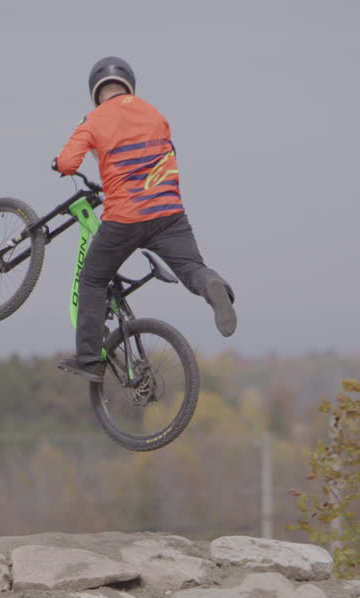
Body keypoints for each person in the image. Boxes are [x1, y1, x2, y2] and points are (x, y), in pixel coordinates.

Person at [52, 56, 236, 383]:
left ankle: (90, 359)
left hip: (125, 215)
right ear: (129, 85)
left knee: (93, 279)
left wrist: (61, 164)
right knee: (192, 268)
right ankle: (213, 286)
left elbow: (68, 163)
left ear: (96, 91)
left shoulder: (94, 119)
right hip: (169, 212)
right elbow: (169, 153)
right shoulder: (155, 115)